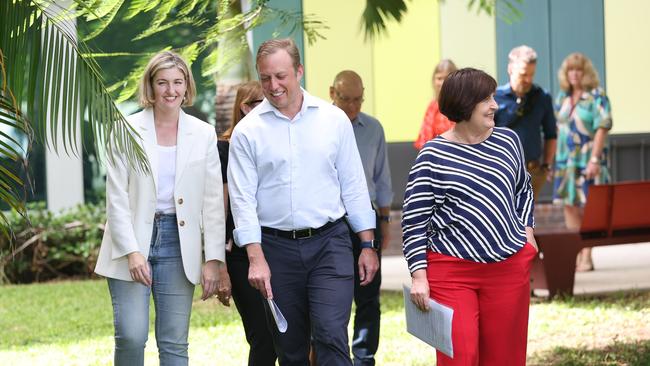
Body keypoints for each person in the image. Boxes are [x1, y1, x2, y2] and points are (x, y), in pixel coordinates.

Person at [227, 38, 379, 365]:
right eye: (265, 77)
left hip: (330, 243)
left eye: (281, 76)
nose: (273, 85)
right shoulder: (247, 132)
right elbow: (242, 201)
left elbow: (353, 184)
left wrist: (368, 244)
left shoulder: (333, 119)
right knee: (290, 347)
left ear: (299, 71)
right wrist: (255, 257)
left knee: (330, 335)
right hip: (275, 248)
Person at [95, 50, 229, 365]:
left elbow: (212, 202)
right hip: (130, 241)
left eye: (178, 82)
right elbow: (115, 198)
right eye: (163, 83)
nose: (171, 90)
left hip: (178, 243)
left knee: (174, 343)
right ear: (151, 87)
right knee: (131, 335)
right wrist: (132, 252)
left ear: (187, 87)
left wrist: (213, 259)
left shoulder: (203, 134)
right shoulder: (126, 129)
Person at [403, 68, 537, 366]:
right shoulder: (432, 155)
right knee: (459, 357)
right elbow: (414, 221)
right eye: (485, 99)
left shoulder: (509, 142)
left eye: (492, 97)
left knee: (505, 358)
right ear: (464, 105)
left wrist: (527, 234)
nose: (495, 105)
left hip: (508, 266)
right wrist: (419, 276)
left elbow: (523, 190)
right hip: (452, 270)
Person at [329, 70, 393, 365]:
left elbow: (382, 178)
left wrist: (385, 220)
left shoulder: (373, 128)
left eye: (358, 100)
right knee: (334, 293)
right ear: (332, 93)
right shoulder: (322, 126)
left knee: (368, 294)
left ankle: (364, 357)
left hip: (366, 217)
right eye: (346, 99)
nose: (353, 107)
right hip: (331, 217)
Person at [218, 81, 277, 365]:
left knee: (289, 334)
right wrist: (220, 265)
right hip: (241, 254)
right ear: (245, 107)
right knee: (263, 335)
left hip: (278, 248)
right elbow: (222, 207)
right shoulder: (225, 148)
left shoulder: (275, 141)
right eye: (260, 103)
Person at [553, 52, 613, 272]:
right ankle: (577, 251)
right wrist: (552, 162)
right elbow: (558, 131)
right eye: (570, 70)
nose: (574, 74)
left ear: (586, 72)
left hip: (589, 160)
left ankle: (587, 254)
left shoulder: (597, 96)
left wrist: (595, 159)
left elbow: (602, 128)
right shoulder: (562, 98)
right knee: (569, 206)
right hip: (566, 162)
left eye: (578, 69)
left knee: (590, 208)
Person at [495, 45, 557, 200]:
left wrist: (546, 166)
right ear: (510, 69)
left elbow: (551, 134)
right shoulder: (494, 97)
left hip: (532, 172)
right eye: (523, 74)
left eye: (532, 74)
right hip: (501, 171)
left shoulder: (542, 97)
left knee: (525, 220)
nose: (528, 79)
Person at [413, 59, 457, 150]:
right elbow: (424, 138)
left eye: (446, 78)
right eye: (439, 78)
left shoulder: (462, 104)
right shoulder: (432, 106)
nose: (442, 83)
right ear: (434, 80)